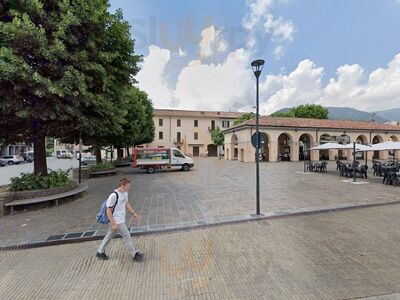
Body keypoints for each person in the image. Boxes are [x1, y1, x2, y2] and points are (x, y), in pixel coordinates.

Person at [96, 178, 143, 261]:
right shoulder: (113, 195)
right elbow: (108, 210)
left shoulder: (125, 193)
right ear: (122, 186)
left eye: (129, 186)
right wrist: (113, 223)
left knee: (110, 235)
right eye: (128, 186)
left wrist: (133, 213)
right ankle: (134, 254)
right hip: (117, 220)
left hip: (120, 219)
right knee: (126, 235)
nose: (129, 188)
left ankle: (100, 252)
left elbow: (126, 203)